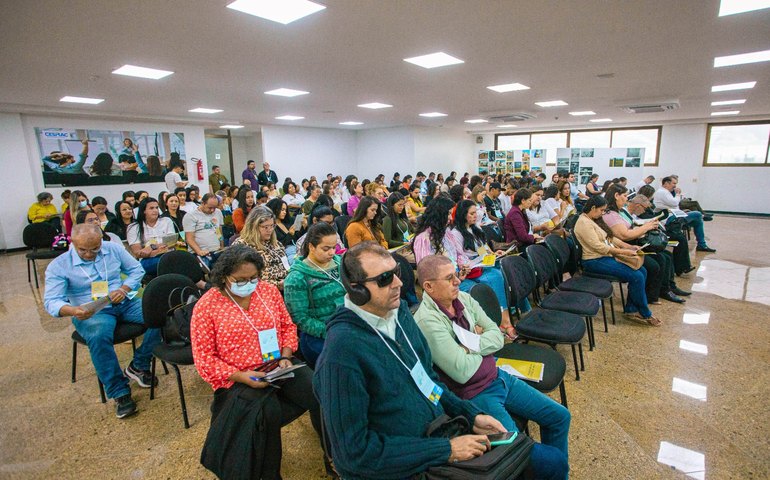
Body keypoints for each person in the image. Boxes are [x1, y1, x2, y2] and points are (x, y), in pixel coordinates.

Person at [314, 242, 509, 480]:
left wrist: (470, 414)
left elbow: (429, 381)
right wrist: (446, 450)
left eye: (395, 272)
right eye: (385, 279)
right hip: (406, 467)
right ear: (357, 291)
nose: (399, 283)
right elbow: (353, 455)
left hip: (437, 436)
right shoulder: (341, 354)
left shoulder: (401, 314)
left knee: (527, 460)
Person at [414, 254, 571, 479]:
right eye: (449, 278)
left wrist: (470, 346)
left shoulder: (464, 299)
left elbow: (498, 337)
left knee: (560, 417)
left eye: (456, 274)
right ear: (428, 286)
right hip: (476, 394)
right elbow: (462, 371)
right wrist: (481, 340)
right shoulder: (426, 321)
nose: (458, 281)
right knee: (517, 452)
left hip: (499, 376)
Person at [190, 245, 324, 479]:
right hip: (237, 377)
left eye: (254, 277)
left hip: (278, 364)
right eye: (241, 279)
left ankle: (334, 453)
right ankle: (268, 474)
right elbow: (204, 359)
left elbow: (286, 326)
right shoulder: (207, 306)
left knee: (320, 391)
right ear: (224, 277)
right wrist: (242, 376)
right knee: (266, 415)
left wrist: (285, 354)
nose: (249, 283)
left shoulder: (268, 291)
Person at [44, 224, 160, 418]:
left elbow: (136, 270)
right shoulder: (60, 265)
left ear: (101, 241)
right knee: (98, 336)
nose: (89, 254)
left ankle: (139, 365)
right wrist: (73, 310)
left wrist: (123, 289)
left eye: (95, 249)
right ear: (73, 243)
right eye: (83, 250)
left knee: (161, 315)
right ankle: (119, 392)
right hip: (91, 312)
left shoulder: (112, 249)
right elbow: (51, 301)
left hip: (123, 302)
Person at [412, 197, 517, 335]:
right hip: (442, 282)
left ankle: (501, 322)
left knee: (495, 276)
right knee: (477, 289)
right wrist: (457, 273)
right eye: (448, 214)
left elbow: (459, 254)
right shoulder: (424, 239)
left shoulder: (447, 233)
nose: (450, 218)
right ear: (438, 215)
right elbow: (427, 270)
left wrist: (464, 266)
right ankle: (485, 327)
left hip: (459, 274)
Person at [574, 196, 661, 326]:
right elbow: (599, 247)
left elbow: (610, 238)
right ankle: (645, 313)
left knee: (642, 270)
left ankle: (632, 309)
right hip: (592, 261)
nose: (603, 213)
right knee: (636, 275)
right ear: (593, 208)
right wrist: (623, 252)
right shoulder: (583, 223)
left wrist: (628, 246)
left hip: (602, 257)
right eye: (602, 210)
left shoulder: (592, 220)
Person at [604, 186, 690, 304]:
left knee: (665, 256)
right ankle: (650, 296)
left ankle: (665, 289)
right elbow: (624, 235)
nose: (626, 199)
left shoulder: (618, 212)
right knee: (655, 264)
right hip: (622, 247)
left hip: (629, 244)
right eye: (624, 196)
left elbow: (628, 230)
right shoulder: (611, 214)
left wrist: (643, 228)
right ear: (616, 196)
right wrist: (646, 227)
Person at [283, 223, 347, 368]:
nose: (331, 252)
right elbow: (300, 318)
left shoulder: (340, 263)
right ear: (311, 247)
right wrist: (331, 331)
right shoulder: (297, 278)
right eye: (326, 249)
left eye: (333, 247)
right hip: (320, 335)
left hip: (347, 325)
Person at [653, 176, 715, 253]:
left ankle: (702, 244)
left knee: (697, 221)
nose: (675, 186)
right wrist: (678, 194)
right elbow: (674, 202)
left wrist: (681, 211)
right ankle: (702, 244)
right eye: (674, 183)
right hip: (669, 219)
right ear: (666, 183)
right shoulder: (662, 192)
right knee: (698, 214)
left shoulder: (665, 192)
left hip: (674, 214)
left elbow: (673, 205)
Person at [233, 207, 290, 290]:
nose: (270, 230)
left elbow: (286, 266)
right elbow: (244, 278)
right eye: (265, 227)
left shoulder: (276, 243)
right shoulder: (242, 246)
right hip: (261, 291)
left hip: (286, 285)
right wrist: (276, 284)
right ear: (253, 226)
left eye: (272, 226)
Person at [126, 198, 176, 275]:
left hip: (168, 255)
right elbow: (138, 253)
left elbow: (171, 242)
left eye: (156, 208)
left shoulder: (166, 221)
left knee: (183, 259)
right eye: (151, 208)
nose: (155, 210)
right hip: (148, 260)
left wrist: (151, 248)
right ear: (144, 211)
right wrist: (158, 249)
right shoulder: (133, 227)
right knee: (169, 263)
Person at [184, 194, 225, 269]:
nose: (212, 210)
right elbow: (189, 239)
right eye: (210, 208)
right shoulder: (191, 216)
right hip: (200, 253)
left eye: (214, 208)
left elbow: (219, 231)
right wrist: (199, 251)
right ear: (202, 203)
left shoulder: (218, 212)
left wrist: (222, 246)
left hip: (216, 250)